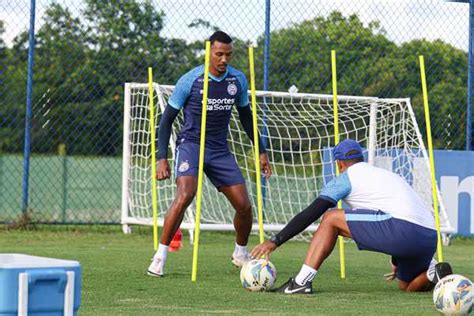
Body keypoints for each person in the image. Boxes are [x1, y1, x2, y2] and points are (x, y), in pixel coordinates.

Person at [251, 139, 452, 294]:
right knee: (406, 285)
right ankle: (435, 273)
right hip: (428, 237)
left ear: (339, 164)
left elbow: (312, 212)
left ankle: (300, 283)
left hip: (402, 230)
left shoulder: (347, 178)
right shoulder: (386, 175)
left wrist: (275, 241)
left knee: (330, 218)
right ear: (361, 158)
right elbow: (400, 208)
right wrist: (397, 254)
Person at [147, 31, 272, 277]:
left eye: (228, 54)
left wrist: (261, 150)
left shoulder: (237, 80)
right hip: (191, 145)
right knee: (186, 194)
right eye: (219, 54)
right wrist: (162, 157)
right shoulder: (191, 80)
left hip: (218, 149)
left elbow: (246, 116)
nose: (224, 59)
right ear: (209, 52)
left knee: (245, 206)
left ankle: (240, 252)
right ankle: (160, 255)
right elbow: (166, 121)